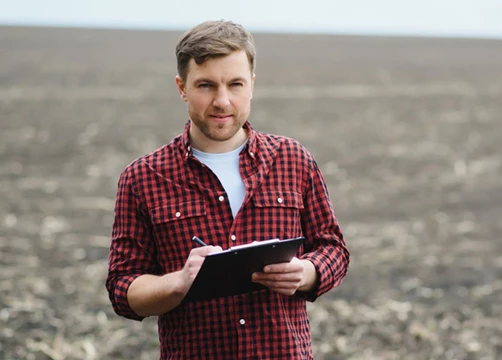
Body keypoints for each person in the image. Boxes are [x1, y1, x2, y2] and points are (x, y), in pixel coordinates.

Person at [105, 19, 350, 360]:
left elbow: (333, 249)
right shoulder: (143, 178)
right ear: (181, 87)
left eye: (235, 84)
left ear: (252, 84)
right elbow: (122, 287)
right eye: (206, 85)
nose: (222, 100)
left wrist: (306, 272)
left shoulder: (293, 160)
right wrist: (178, 282)